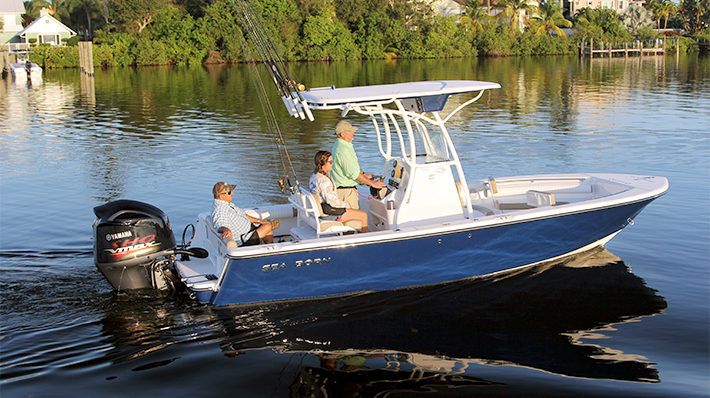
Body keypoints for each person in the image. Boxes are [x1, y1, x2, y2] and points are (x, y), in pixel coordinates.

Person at [330, 120, 386, 209]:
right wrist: (373, 183)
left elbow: (352, 167)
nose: (353, 132)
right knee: (353, 222)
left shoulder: (342, 145)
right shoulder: (344, 150)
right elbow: (353, 173)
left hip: (346, 190)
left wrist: (364, 175)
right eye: (350, 131)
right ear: (342, 134)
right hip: (346, 192)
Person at [310, 151, 370, 233]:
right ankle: (366, 239)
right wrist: (347, 205)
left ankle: (353, 236)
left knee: (353, 214)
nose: (333, 163)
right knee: (363, 215)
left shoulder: (314, 176)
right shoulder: (324, 181)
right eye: (330, 162)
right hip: (328, 214)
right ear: (323, 163)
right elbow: (332, 202)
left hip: (323, 210)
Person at [212, 181, 274, 246]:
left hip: (249, 230)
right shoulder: (220, 210)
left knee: (269, 233)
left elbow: (243, 215)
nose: (232, 193)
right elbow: (219, 224)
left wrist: (260, 221)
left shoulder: (227, 204)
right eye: (229, 193)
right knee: (268, 227)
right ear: (220, 196)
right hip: (244, 239)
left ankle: (270, 251)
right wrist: (226, 230)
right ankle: (266, 225)